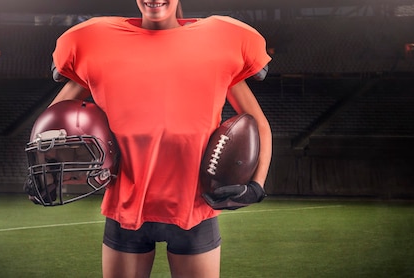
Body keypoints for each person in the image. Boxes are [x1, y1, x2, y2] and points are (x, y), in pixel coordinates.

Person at [49, 1, 272, 277]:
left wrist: (256, 185)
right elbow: (56, 119)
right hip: (125, 207)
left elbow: (258, 122)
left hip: (194, 206)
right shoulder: (99, 44)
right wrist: (47, 163)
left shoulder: (217, 43)